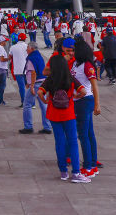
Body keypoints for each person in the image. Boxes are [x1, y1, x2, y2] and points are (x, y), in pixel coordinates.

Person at [37, 51, 89, 183]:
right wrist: (75, 97)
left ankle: (63, 172)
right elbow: (83, 91)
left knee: (59, 142)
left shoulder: (50, 79)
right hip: (68, 113)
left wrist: (45, 101)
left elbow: (40, 92)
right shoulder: (70, 78)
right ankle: (76, 172)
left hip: (54, 114)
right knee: (72, 142)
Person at [69, 39, 101, 178]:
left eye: (73, 50)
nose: (72, 52)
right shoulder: (77, 64)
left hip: (85, 100)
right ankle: (91, 165)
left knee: (84, 135)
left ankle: (88, 166)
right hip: (79, 100)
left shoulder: (87, 65)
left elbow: (94, 85)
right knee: (88, 134)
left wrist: (97, 104)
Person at [19, 43, 52, 135]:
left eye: (27, 48)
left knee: (27, 104)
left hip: (36, 83)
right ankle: (47, 126)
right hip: (42, 82)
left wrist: (31, 85)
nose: (26, 50)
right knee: (43, 105)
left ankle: (28, 126)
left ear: (32, 49)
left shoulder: (31, 58)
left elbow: (33, 72)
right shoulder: (39, 55)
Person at [10, 33, 29, 107]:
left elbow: (10, 56)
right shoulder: (27, 46)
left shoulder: (13, 47)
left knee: (21, 87)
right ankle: (32, 103)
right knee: (29, 86)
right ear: (25, 39)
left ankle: (23, 102)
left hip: (17, 69)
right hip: (27, 69)